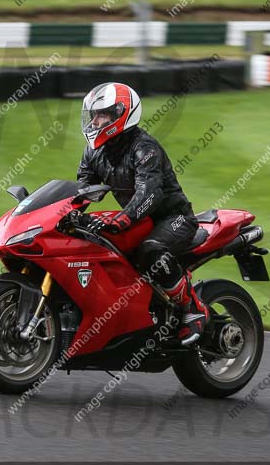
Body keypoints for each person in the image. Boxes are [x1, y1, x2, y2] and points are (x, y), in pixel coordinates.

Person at [76, 82, 209, 343]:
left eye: (101, 114)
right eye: (92, 114)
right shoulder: (93, 152)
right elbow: (82, 189)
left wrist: (123, 218)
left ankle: (192, 308)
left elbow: (150, 193)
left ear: (120, 115)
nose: (95, 121)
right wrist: (65, 212)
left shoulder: (144, 148)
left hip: (173, 217)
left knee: (151, 250)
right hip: (140, 218)